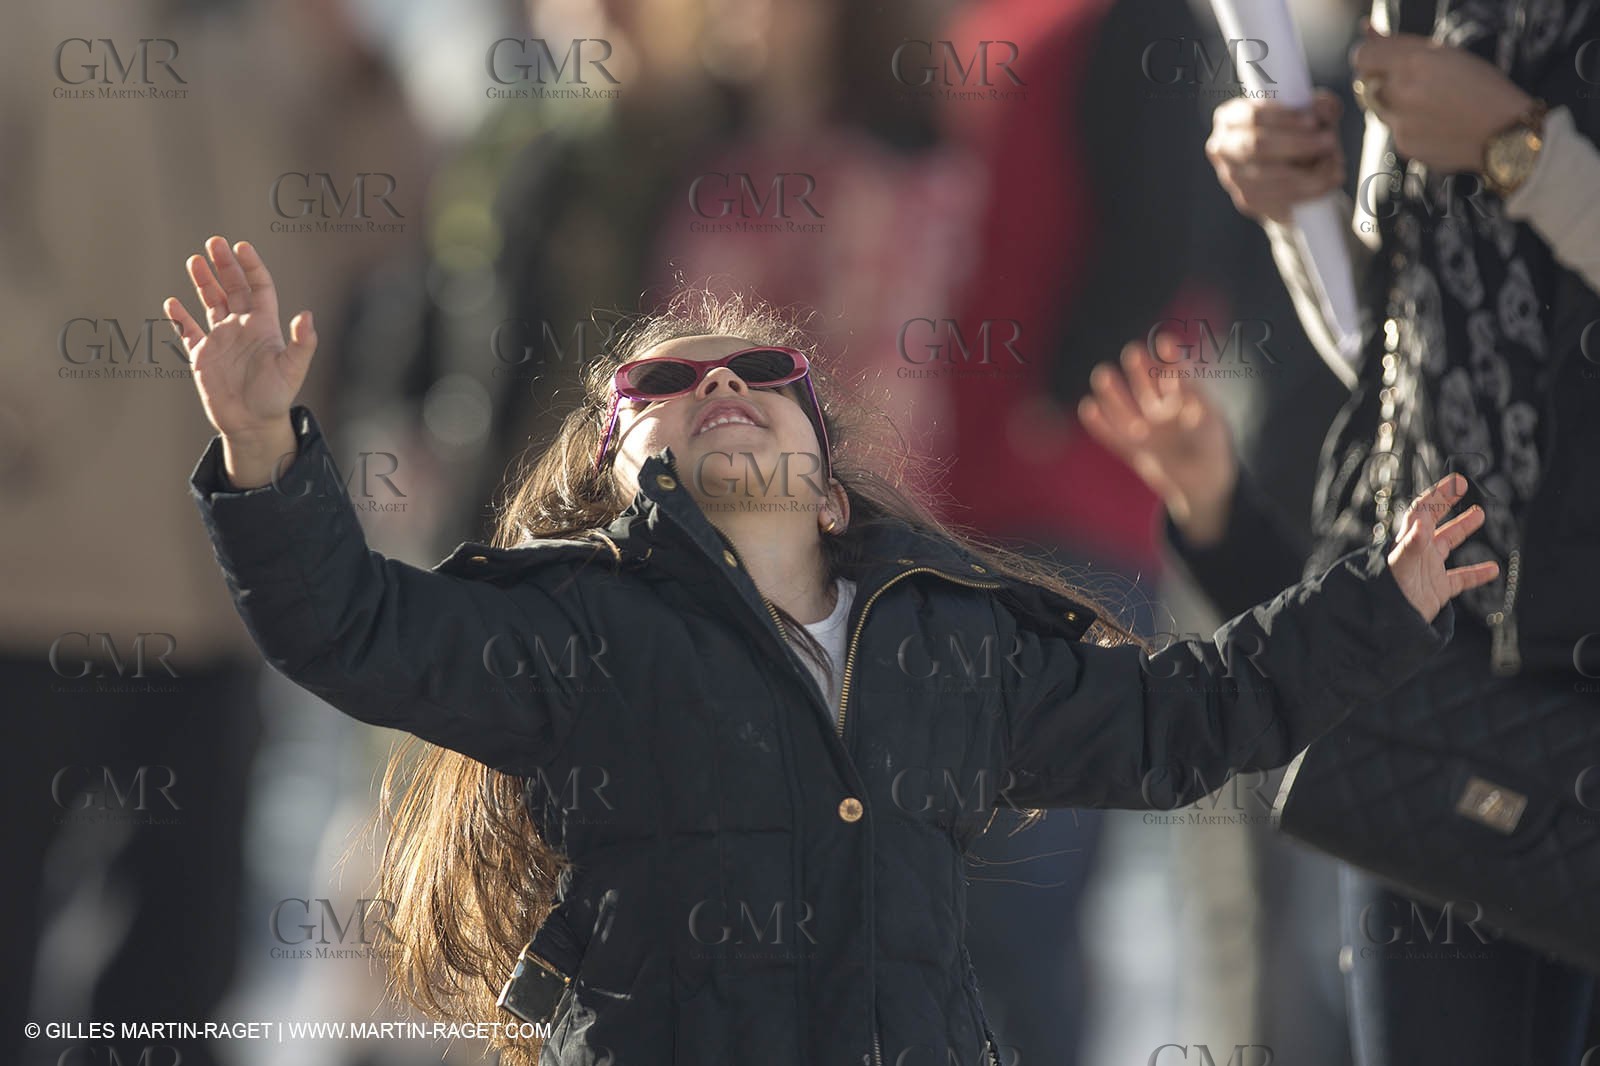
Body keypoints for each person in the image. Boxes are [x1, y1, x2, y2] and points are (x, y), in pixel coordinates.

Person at [169, 235, 1492, 1066]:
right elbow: (350, 624)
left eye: (757, 372)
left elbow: (1195, 715)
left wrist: (1385, 596)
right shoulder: (575, 628)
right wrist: (262, 447)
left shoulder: (952, 641)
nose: (721, 386)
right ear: (612, 480)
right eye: (665, 390)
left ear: (830, 491)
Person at [1082, 8, 1600, 1055]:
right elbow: (1402, 348)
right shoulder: (1406, 13)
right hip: (1444, 671)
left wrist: (1522, 149)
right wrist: (1299, 208)